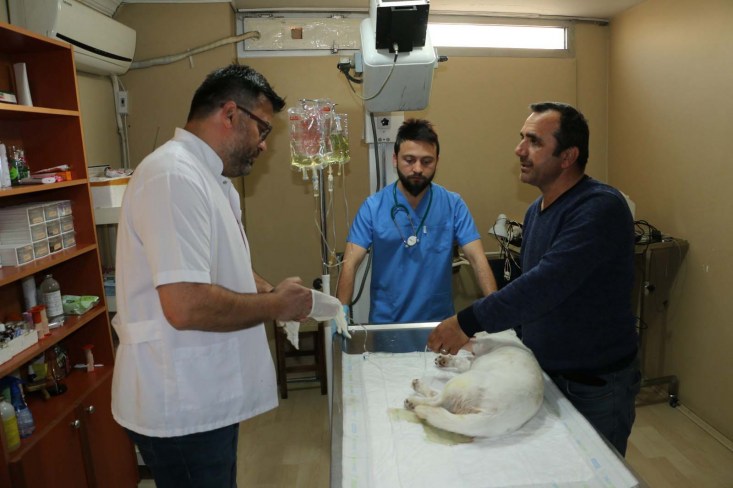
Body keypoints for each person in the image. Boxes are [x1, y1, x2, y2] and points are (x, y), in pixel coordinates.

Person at [111, 64, 313, 488]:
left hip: (199, 396)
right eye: (262, 129)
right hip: (180, 403)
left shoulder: (207, 178)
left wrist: (268, 289)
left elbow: (220, 264)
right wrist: (274, 305)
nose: (264, 144)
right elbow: (184, 305)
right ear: (230, 113)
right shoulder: (173, 176)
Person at [427, 102, 641, 456]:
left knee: (596, 470)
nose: (519, 149)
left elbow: (543, 286)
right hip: (544, 376)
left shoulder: (599, 208)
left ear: (567, 156)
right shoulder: (536, 212)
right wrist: (486, 342)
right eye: (522, 138)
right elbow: (527, 295)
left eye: (534, 141)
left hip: (594, 386)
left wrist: (467, 322)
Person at [336, 119, 497, 327]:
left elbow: (477, 259)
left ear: (437, 161)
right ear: (395, 159)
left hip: (439, 325)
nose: (418, 169)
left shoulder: (453, 205)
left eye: (426, 161)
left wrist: (495, 309)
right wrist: (340, 311)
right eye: (409, 160)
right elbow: (350, 263)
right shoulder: (373, 207)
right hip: (386, 325)